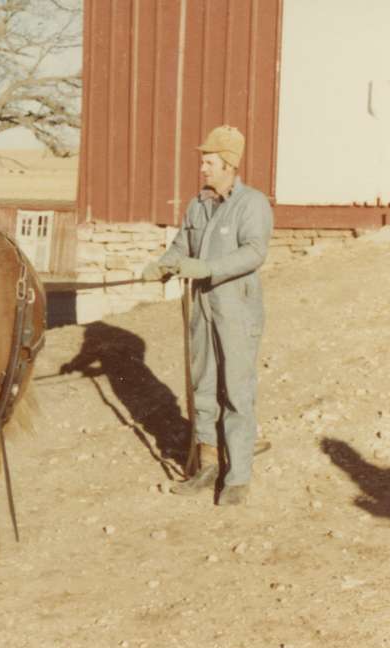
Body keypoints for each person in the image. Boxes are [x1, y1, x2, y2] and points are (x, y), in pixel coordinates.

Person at [142, 125, 272, 506]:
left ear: (229, 163)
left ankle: (238, 476)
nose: (202, 167)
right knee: (202, 386)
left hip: (236, 311)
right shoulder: (197, 204)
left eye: (209, 160)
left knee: (236, 389)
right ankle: (208, 464)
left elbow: (254, 252)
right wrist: (162, 265)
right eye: (203, 160)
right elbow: (182, 244)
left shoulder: (252, 204)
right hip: (202, 309)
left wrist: (207, 268)